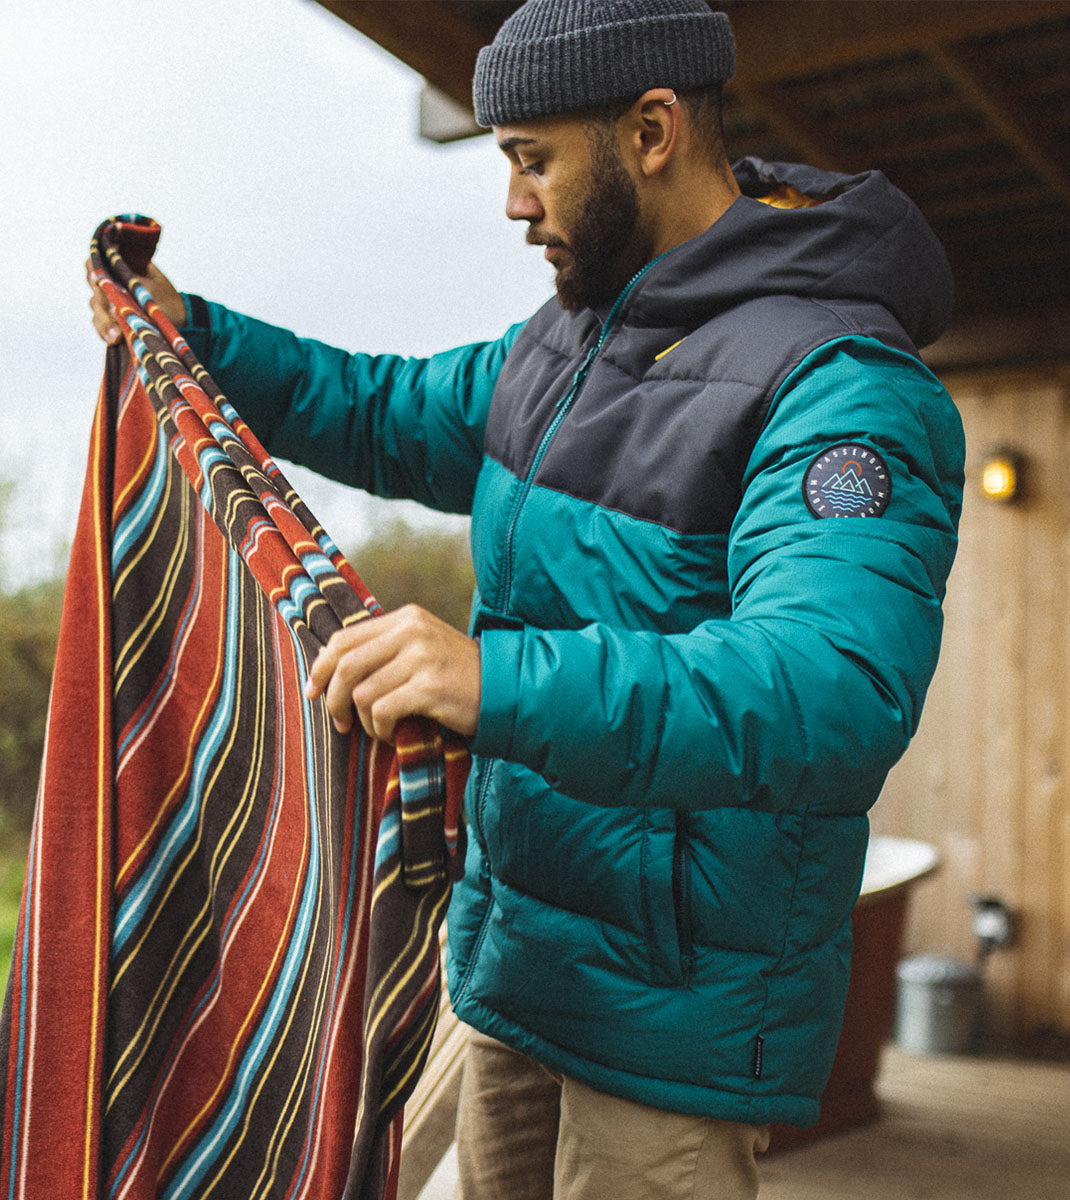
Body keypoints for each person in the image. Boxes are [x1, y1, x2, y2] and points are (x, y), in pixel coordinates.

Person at [89, 2, 965, 1196]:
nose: (514, 203)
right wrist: (201, 340)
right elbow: (384, 410)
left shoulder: (842, 387)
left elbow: (831, 689)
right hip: (514, 966)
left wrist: (492, 682)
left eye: (532, 157)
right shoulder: (566, 345)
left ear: (651, 130)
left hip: (666, 1029)